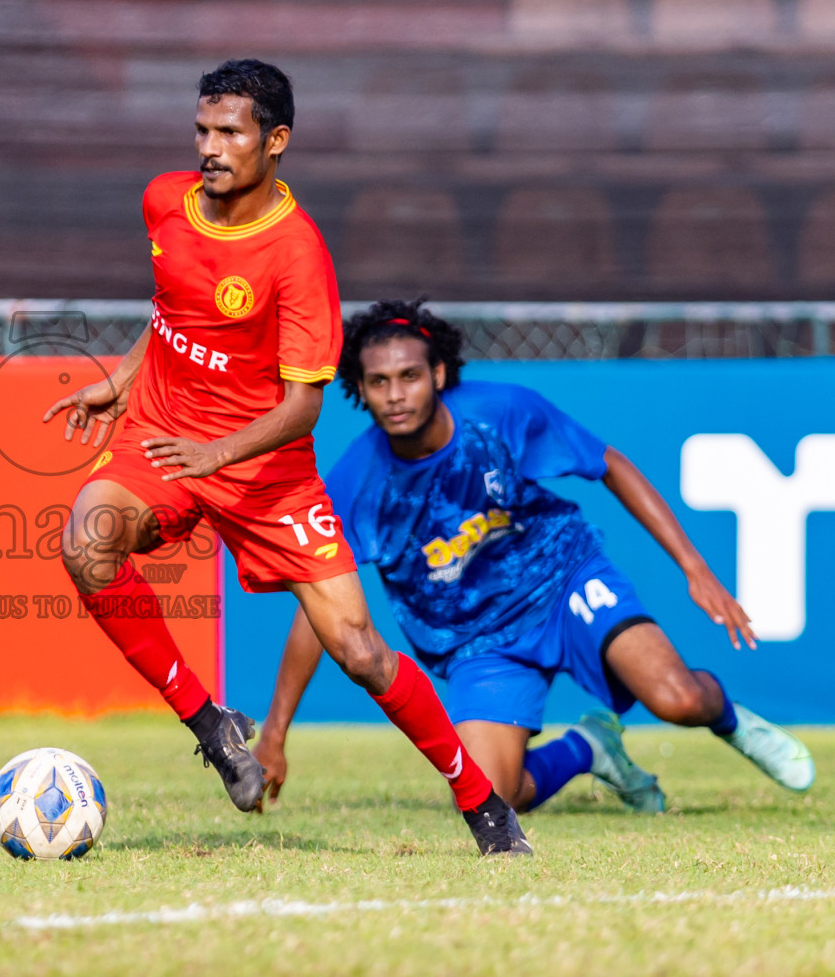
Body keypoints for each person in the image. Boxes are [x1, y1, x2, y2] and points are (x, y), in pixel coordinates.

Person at [44, 61, 530, 855]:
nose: (210, 147)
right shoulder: (163, 201)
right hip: (164, 441)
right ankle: (210, 724)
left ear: (276, 142)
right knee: (85, 543)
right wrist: (124, 380)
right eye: (202, 130)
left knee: (360, 653)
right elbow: (172, 309)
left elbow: (302, 406)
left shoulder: (298, 255)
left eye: (229, 132)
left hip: (266, 473)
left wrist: (218, 453)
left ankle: (484, 808)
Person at [254, 299, 815, 815]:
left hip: (563, 581)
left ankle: (732, 720)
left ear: (439, 376)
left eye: (409, 377)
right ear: (359, 389)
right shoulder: (359, 481)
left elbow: (610, 464)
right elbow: (320, 605)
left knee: (678, 699)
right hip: (475, 640)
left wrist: (694, 569)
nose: (395, 395)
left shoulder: (501, 412)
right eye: (378, 382)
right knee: (493, 796)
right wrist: (275, 732)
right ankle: (587, 749)